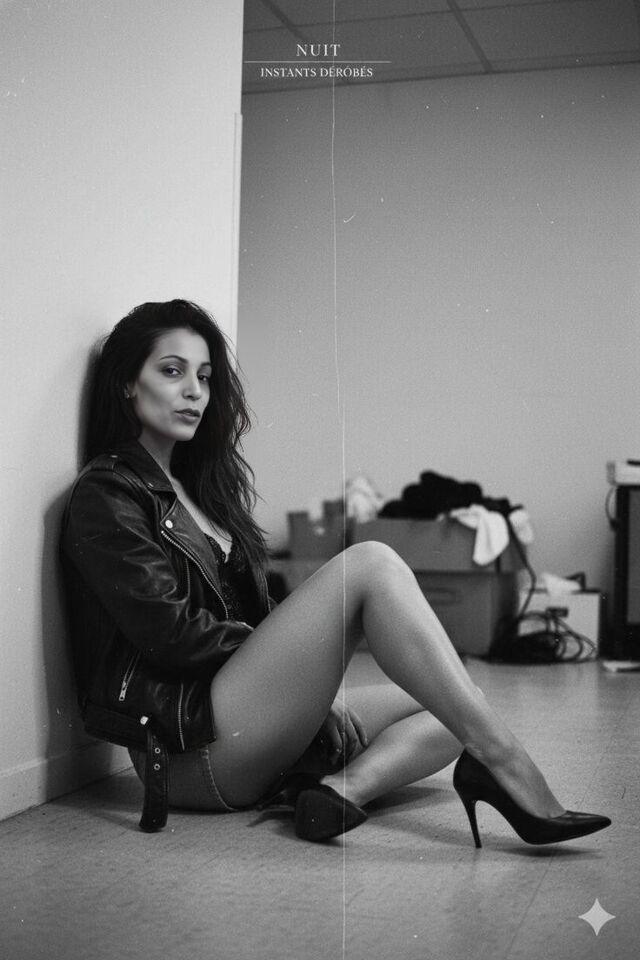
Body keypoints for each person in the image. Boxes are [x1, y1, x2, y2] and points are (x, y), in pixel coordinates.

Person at [60, 299, 610, 845]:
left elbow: (253, 618)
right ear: (127, 383)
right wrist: (309, 693)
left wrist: (308, 698)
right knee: (371, 563)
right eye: (172, 371)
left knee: (459, 702)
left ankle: (343, 790)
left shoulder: (202, 490)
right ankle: (508, 764)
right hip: (193, 750)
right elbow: (171, 635)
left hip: (244, 723)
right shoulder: (109, 493)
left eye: (203, 377)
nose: (194, 392)